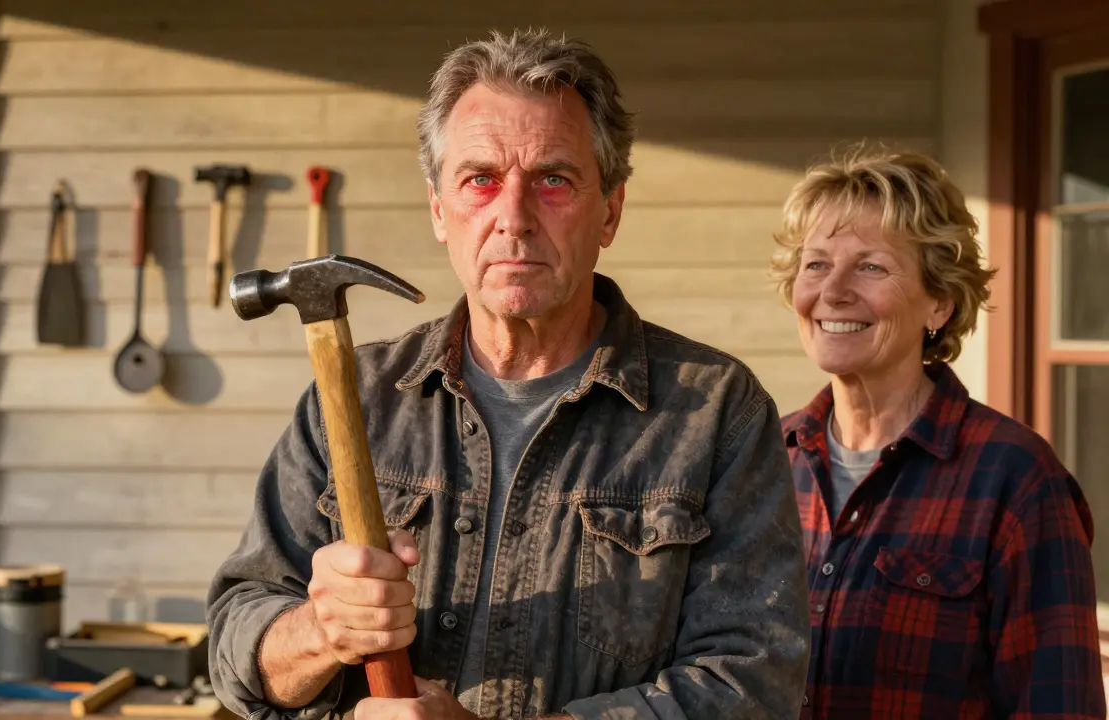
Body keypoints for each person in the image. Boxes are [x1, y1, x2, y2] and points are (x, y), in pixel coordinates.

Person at [206, 28, 810, 720]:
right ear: (440, 209)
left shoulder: (713, 412)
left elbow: (752, 685)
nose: (513, 218)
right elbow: (235, 643)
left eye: (553, 179)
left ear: (610, 211)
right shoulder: (357, 400)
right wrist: (321, 630)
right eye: (480, 180)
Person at [770, 145, 1106, 718]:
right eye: (816, 264)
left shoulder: (1016, 480)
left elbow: (1058, 705)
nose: (834, 291)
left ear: (940, 303)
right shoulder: (763, 461)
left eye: (871, 267)